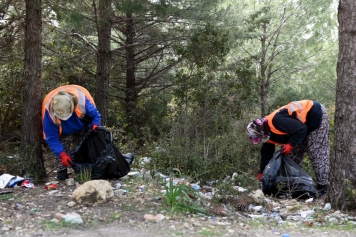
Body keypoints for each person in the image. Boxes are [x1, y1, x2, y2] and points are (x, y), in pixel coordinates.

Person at [246, 100, 330, 196]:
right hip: (300, 127)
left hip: (315, 113)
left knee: (316, 152)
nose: (259, 140)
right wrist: (262, 172)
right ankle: (297, 186)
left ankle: (324, 186)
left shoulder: (278, 121)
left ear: (261, 132)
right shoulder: (267, 135)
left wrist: (290, 144)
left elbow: (302, 129)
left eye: (258, 138)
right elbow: (266, 154)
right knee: (291, 158)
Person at [42, 85, 101, 180]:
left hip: (82, 125)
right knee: (61, 146)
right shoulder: (49, 114)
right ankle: (62, 172)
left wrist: (95, 125)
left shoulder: (83, 102)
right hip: (64, 131)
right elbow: (51, 138)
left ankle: (86, 169)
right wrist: (62, 155)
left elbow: (96, 116)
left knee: (86, 145)